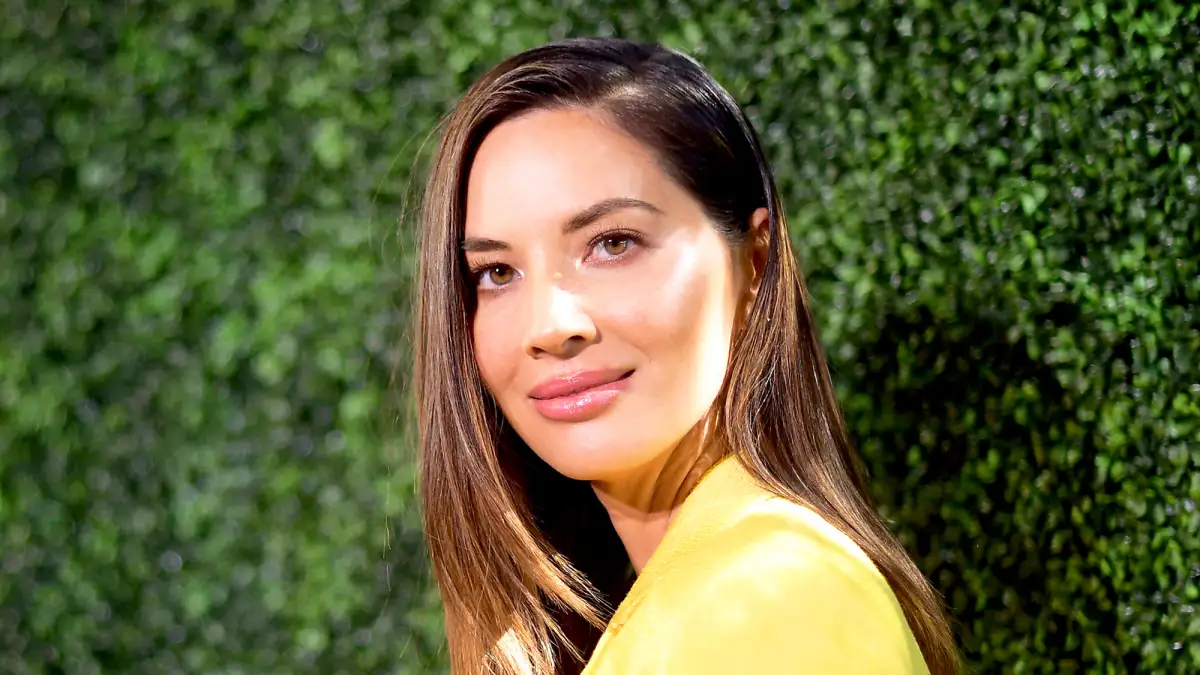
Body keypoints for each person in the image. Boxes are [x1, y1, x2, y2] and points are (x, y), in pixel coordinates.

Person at [412, 37, 957, 674]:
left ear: (754, 264)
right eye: (496, 272)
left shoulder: (768, 596)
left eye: (613, 243)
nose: (550, 326)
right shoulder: (708, 591)